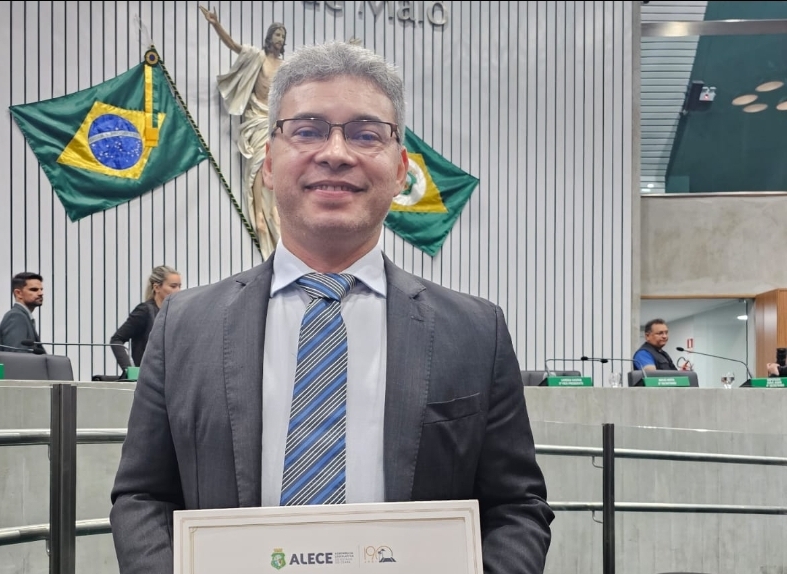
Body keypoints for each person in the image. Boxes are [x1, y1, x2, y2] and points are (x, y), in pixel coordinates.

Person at [110, 41, 553, 574]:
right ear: (269, 163)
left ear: (399, 169)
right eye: (309, 129)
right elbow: (142, 498)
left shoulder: (475, 331)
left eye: (367, 134)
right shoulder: (185, 325)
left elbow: (516, 508)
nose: (337, 152)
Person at [200, 5, 286, 260]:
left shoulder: (286, 66)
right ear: (269, 38)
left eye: (282, 36)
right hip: (255, 119)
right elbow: (234, 46)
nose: (279, 39)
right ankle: (259, 213)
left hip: (274, 122)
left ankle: (275, 212)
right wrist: (216, 25)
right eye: (276, 34)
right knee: (258, 166)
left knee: (276, 166)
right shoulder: (256, 57)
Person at [109, 266, 182, 373]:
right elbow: (116, 340)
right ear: (157, 288)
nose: (178, 291)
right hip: (149, 376)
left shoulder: (175, 312)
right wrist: (129, 371)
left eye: (179, 286)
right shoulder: (144, 311)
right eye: (173, 286)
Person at [0, 272, 45, 353]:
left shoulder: (23, 316)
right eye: (34, 289)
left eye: (41, 289)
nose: (41, 293)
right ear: (18, 293)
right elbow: (18, 358)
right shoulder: (15, 317)